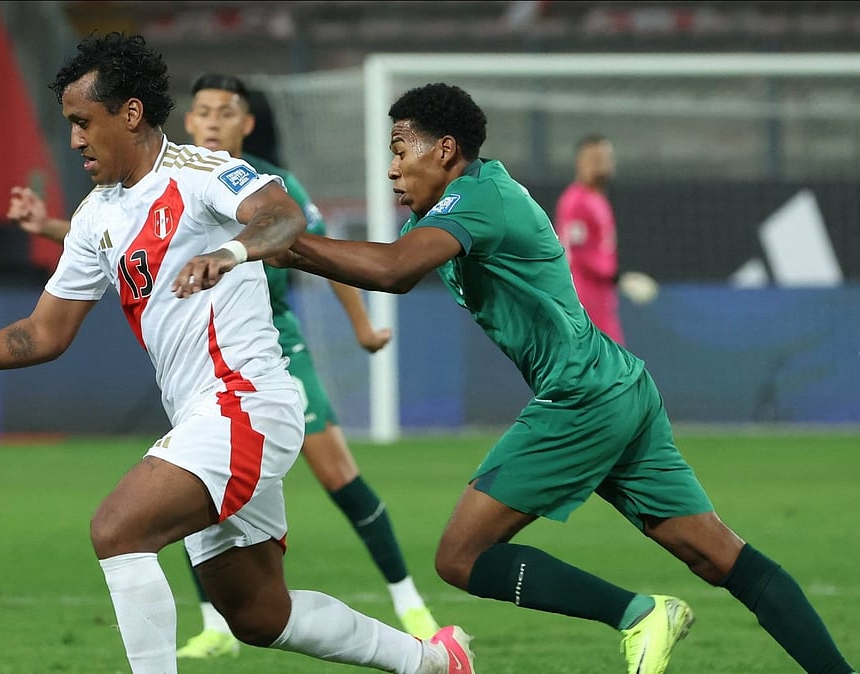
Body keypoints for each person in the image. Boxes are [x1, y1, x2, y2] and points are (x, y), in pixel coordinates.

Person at [0, 33, 474, 674]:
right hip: (206, 417)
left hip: (245, 403)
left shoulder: (200, 174)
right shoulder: (95, 218)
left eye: (84, 122)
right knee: (257, 614)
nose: (76, 141)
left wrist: (229, 251)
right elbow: (44, 333)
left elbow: (283, 216)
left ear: (132, 113)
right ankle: (431, 664)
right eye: (69, 125)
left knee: (117, 530)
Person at [243, 83, 855, 674]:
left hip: (582, 395)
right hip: (616, 385)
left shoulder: (480, 199)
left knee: (460, 557)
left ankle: (638, 613)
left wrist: (288, 245)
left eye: (402, 149)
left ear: (446, 150)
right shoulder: (458, 207)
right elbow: (387, 261)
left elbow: (395, 271)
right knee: (719, 555)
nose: (392, 169)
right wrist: (291, 249)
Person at [173, 72, 441, 657]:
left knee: (337, 475)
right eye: (204, 112)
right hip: (204, 360)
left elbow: (327, 257)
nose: (213, 121)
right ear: (189, 122)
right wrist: (53, 229)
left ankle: (408, 600)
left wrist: (364, 326)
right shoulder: (172, 181)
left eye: (226, 112)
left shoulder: (274, 186)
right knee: (196, 484)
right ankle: (216, 629)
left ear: (246, 123)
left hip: (277, 350)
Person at [553, 134, 657, 345]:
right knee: (607, 370)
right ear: (579, 163)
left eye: (605, 158)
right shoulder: (576, 201)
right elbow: (579, 253)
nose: (601, 164)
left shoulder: (596, 199)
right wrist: (620, 279)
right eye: (594, 159)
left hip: (601, 300)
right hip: (584, 302)